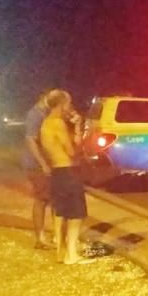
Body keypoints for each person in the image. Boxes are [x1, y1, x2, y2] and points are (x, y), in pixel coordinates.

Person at [39, 89, 88, 264]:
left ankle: (61, 252)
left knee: (60, 213)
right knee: (75, 215)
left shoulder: (45, 123)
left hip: (56, 172)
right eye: (68, 103)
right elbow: (72, 151)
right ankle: (72, 255)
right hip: (68, 172)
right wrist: (77, 127)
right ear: (61, 104)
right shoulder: (58, 123)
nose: (70, 106)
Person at [23, 91, 53, 248]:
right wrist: (43, 163)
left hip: (44, 163)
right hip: (36, 165)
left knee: (50, 198)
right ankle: (40, 239)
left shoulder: (44, 113)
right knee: (41, 199)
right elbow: (31, 140)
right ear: (44, 97)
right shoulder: (34, 114)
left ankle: (53, 236)